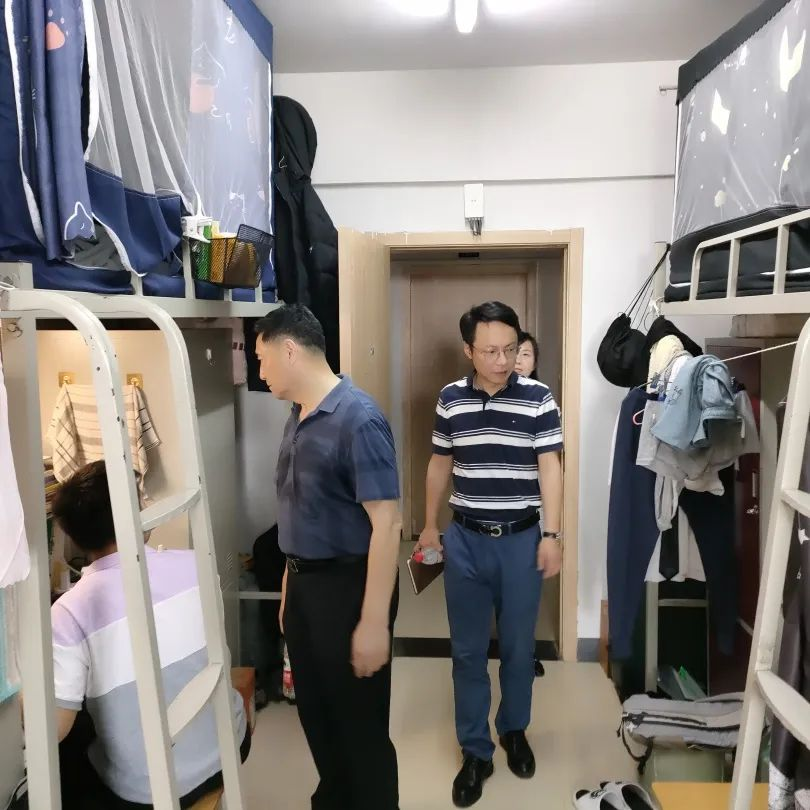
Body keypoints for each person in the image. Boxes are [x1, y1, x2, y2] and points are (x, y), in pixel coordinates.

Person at [254, 304, 401, 810]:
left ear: (289, 350)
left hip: (348, 588)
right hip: (304, 588)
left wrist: (373, 623)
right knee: (317, 715)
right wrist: (289, 591)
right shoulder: (297, 416)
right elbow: (298, 510)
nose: (260, 371)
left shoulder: (358, 419)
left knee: (360, 726)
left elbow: (387, 523)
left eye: (262, 358)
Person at [417, 301, 563, 808]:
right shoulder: (451, 399)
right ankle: (475, 750)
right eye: (490, 351)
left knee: (519, 648)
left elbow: (551, 468)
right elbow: (440, 463)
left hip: (522, 540)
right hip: (465, 541)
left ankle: (514, 730)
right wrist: (429, 526)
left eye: (510, 349)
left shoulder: (539, 398)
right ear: (469, 351)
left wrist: (552, 534)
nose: (503, 360)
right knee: (467, 651)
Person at [48, 461, 249, 809]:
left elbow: (54, 730)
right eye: (141, 500)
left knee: (67, 754)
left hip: (150, 789)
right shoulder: (195, 563)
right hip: (232, 742)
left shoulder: (69, 611)